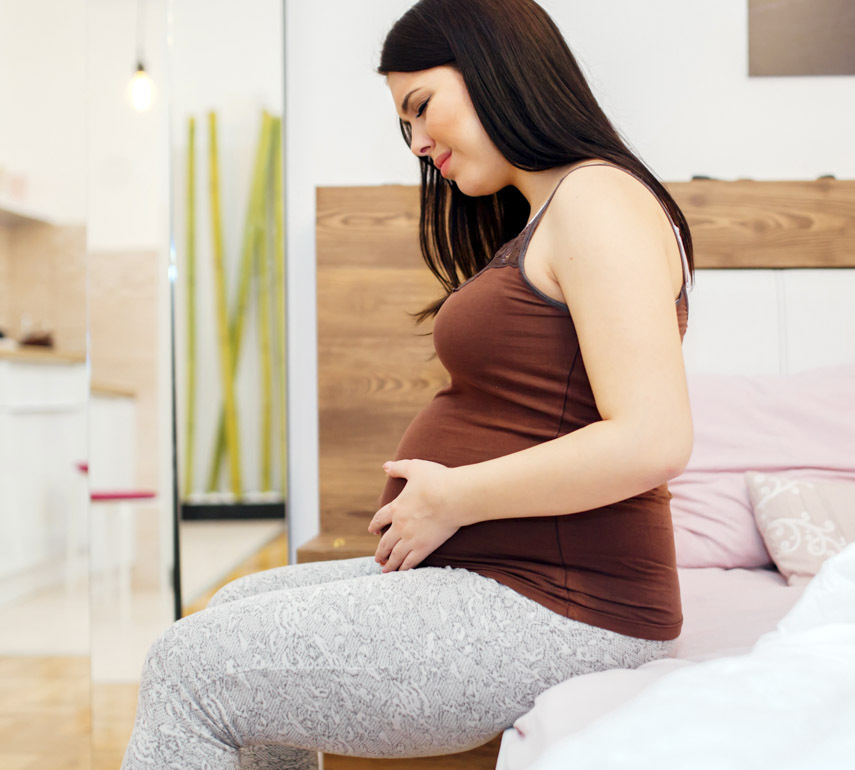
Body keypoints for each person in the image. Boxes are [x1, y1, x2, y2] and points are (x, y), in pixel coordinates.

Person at [120, 0, 694, 767]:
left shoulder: (599, 198)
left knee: (188, 668)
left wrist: (456, 497)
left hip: (570, 605)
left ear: (494, 64)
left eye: (422, 107)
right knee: (230, 610)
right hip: (513, 582)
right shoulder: (553, 211)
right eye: (405, 124)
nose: (419, 143)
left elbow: (653, 437)